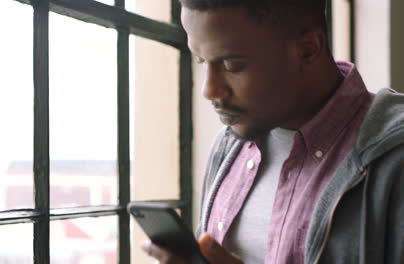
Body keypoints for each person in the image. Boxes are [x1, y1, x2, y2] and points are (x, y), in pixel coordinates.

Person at [141, 0, 404, 263]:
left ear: (308, 49)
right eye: (200, 60)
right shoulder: (228, 146)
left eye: (233, 65)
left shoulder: (395, 156)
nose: (209, 90)